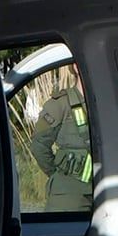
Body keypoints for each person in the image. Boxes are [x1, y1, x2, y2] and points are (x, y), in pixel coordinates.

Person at [23, 66, 93, 212]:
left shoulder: (105, 104)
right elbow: (39, 145)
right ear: (76, 67)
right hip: (68, 196)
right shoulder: (60, 103)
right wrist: (58, 173)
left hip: (103, 192)